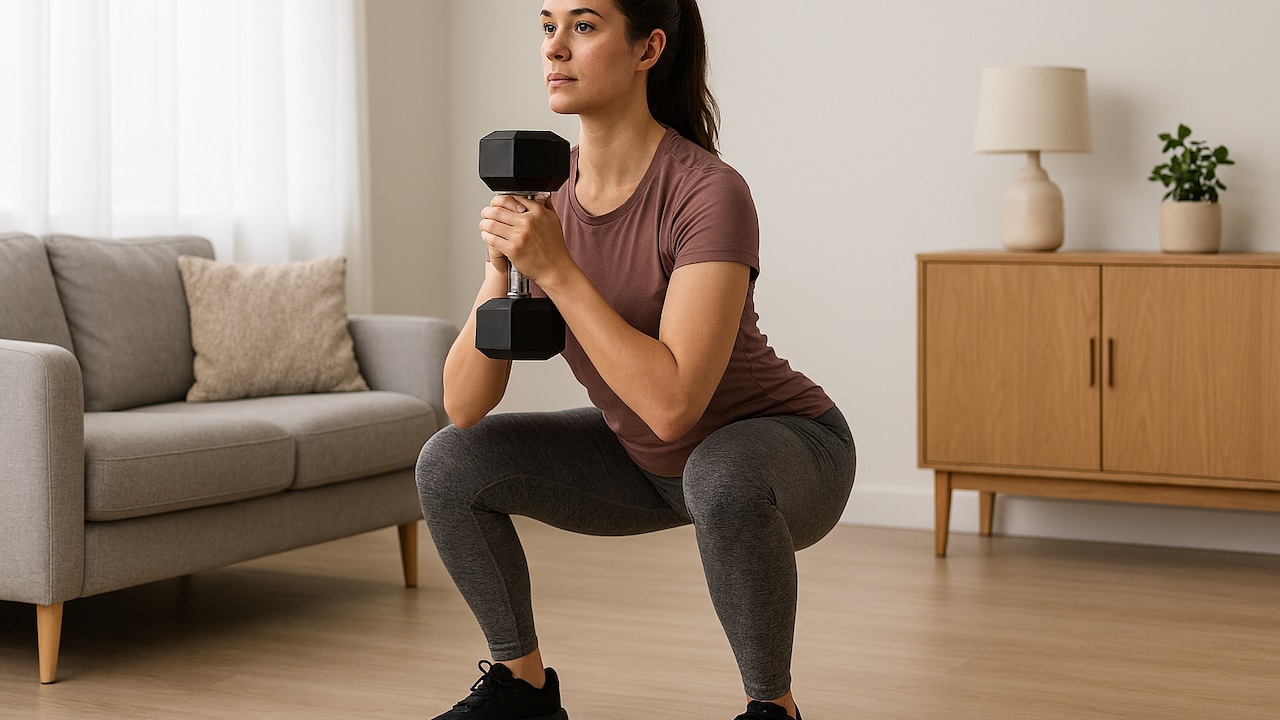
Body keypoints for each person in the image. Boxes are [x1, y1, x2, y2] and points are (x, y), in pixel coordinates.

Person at [416, 1, 855, 718]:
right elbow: (464, 405)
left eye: (584, 26)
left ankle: (773, 709)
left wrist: (558, 270)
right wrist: (501, 270)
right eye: (548, 26)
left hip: (787, 452)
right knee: (449, 462)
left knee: (718, 472)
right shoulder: (547, 199)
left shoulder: (707, 191)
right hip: (646, 462)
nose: (555, 47)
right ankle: (522, 689)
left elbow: (674, 405)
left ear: (648, 49)